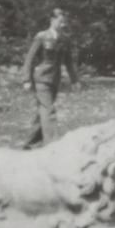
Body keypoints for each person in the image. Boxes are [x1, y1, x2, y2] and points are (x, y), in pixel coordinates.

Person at [21, 8, 79, 149]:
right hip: (41, 79)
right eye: (60, 21)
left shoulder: (64, 40)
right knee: (48, 109)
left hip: (55, 80)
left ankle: (30, 143)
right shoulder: (42, 36)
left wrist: (75, 80)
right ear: (52, 20)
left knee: (42, 111)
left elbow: (69, 62)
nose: (63, 24)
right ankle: (54, 143)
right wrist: (26, 79)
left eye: (64, 22)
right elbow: (30, 58)